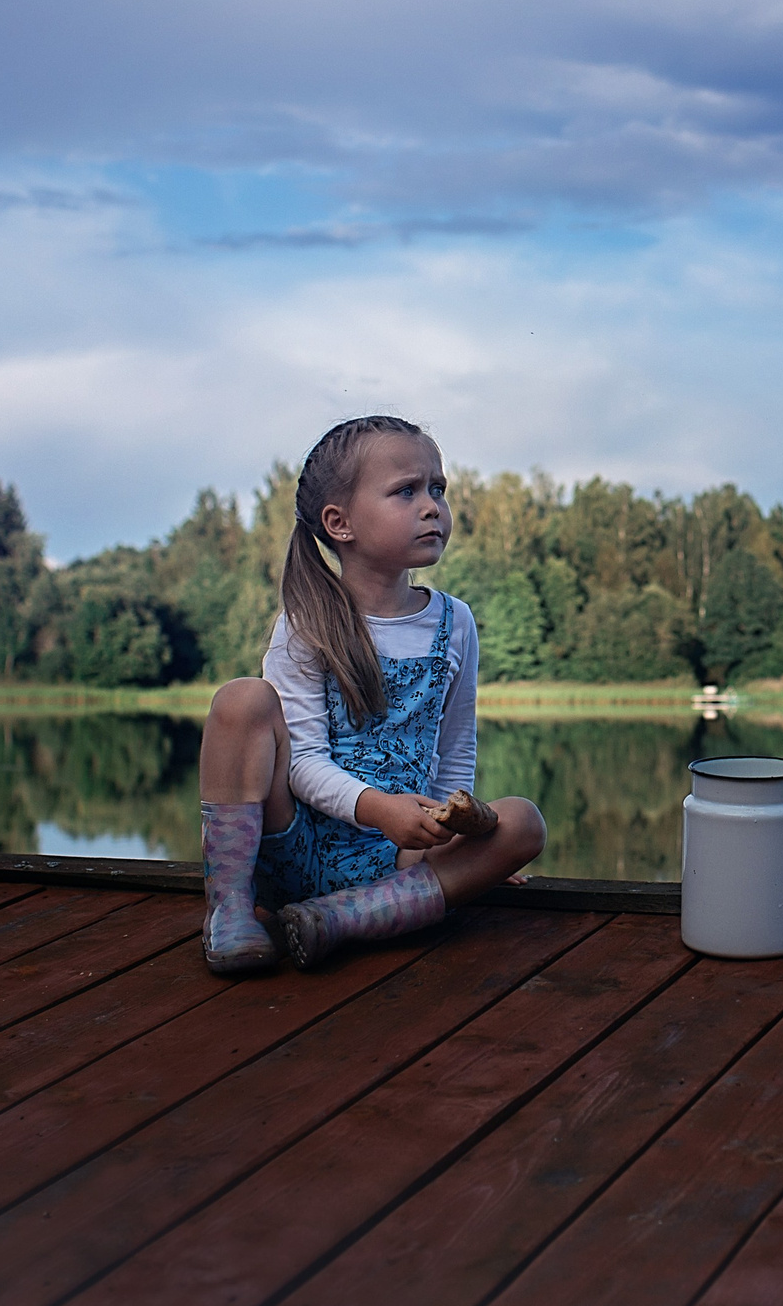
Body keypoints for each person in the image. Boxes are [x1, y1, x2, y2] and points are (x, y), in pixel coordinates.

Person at [197, 415, 545, 972]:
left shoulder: (455, 621)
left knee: (523, 822)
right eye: (406, 491)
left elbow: (455, 748)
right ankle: (230, 908)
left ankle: (335, 920)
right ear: (340, 523)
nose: (432, 506)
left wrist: (458, 835)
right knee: (241, 700)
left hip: (400, 859)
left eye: (437, 489)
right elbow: (303, 762)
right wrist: (379, 810)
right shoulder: (307, 620)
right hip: (297, 845)